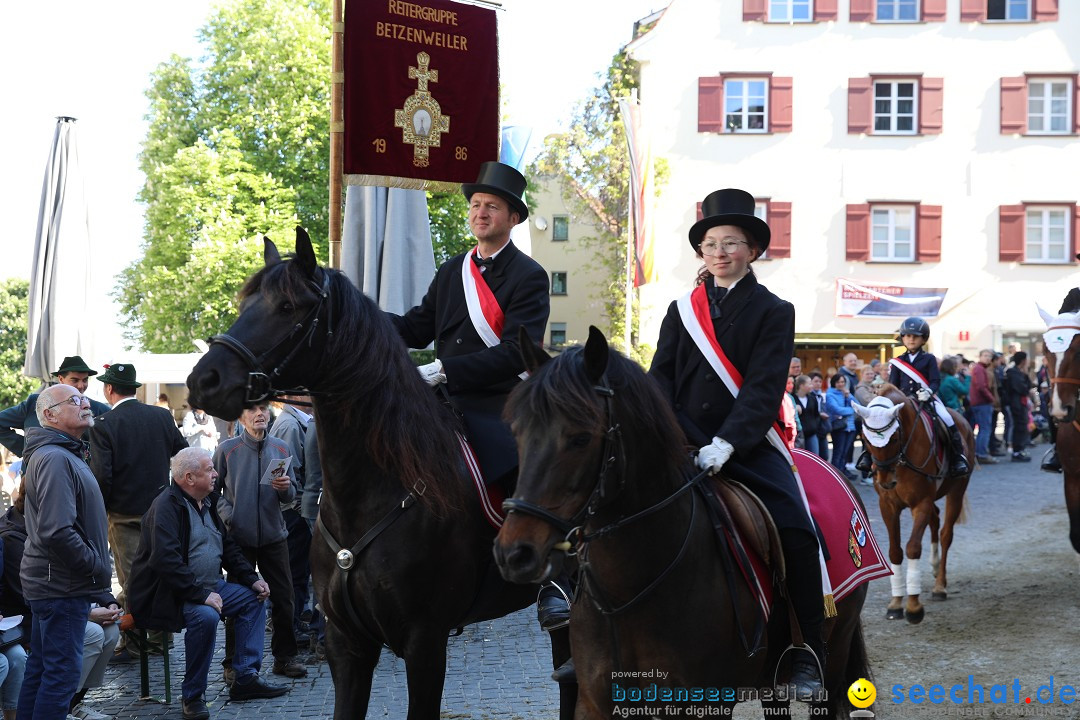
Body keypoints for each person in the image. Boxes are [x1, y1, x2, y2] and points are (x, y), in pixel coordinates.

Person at [649, 187, 825, 700]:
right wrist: (663, 432)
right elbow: (660, 379)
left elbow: (764, 387)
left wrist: (728, 442)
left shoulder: (774, 310)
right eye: (710, 243)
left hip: (744, 444)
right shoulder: (681, 310)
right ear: (701, 252)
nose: (720, 252)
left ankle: (805, 649)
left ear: (752, 250)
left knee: (796, 529)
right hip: (681, 441)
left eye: (731, 242)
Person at [384, 163, 567, 636]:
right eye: (475, 206)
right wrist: (360, 314)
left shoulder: (529, 275)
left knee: (527, 470)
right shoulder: (453, 271)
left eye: (491, 207)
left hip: (499, 399)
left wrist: (446, 368)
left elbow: (513, 353)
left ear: (512, 218)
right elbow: (416, 326)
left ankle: (556, 581)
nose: (480, 213)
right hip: (444, 399)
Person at [128, 448, 288, 720]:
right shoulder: (166, 506)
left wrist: (252, 578)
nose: (215, 474)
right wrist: (201, 594)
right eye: (209, 469)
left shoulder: (209, 501)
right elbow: (165, 561)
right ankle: (192, 695)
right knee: (206, 616)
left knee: (253, 599)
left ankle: (245, 678)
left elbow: (228, 548)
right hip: (170, 594)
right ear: (189, 477)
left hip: (208, 586)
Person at [17, 384, 112, 720]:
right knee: (60, 676)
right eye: (74, 400)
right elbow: (58, 530)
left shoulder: (61, 453)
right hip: (61, 585)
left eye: (84, 397)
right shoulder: (55, 457)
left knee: (43, 669)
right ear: (49, 415)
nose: (84, 402)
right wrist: (96, 568)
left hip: (57, 584)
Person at [87, 363, 187, 661]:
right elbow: (182, 454)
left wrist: (98, 514)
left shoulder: (103, 424)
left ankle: (139, 645)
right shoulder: (161, 416)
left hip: (123, 515)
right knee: (162, 573)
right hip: (162, 511)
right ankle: (160, 638)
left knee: (133, 581)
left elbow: (102, 476)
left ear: (108, 389)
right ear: (134, 388)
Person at [213, 403, 306, 681]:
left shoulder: (280, 447)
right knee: (239, 600)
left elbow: (290, 495)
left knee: (284, 599)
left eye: (263, 409)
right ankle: (232, 662)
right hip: (239, 540)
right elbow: (212, 492)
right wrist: (229, 517)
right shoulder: (227, 449)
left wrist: (286, 488)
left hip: (274, 537)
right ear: (241, 416)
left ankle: (285, 658)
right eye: (252, 410)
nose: (260, 414)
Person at [856, 317, 970, 476]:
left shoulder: (929, 359)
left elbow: (936, 381)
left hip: (925, 399)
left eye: (915, 336)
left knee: (947, 418)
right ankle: (867, 455)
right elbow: (892, 386)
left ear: (923, 339)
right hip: (901, 402)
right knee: (875, 421)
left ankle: (958, 457)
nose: (911, 339)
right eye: (907, 336)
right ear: (902, 338)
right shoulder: (897, 362)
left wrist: (929, 391)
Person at [266, 397, 313, 644]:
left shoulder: (297, 422)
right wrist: (299, 506)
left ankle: (293, 623)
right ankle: (289, 627)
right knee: (293, 571)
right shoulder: (290, 425)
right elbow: (282, 472)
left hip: (297, 507)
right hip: (293, 510)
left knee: (299, 570)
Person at [0, 357, 110, 458]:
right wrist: (26, 449)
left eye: (85, 380)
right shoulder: (34, 403)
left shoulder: (99, 409)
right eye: (75, 380)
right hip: (36, 474)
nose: (81, 385)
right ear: (61, 379)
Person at [969, 350, 998, 465]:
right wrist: (991, 398)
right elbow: (982, 387)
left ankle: (980, 453)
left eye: (989, 356)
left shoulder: (980, 368)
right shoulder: (979, 369)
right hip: (982, 403)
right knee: (985, 429)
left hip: (980, 402)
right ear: (980, 356)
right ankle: (981, 454)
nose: (987, 358)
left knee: (983, 429)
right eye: (985, 356)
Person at [826, 374, 857, 480]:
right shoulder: (830, 394)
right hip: (839, 428)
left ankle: (842, 473)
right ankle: (835, 474)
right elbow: (836, 409)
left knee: (845, 452)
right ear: (834, 383)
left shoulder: (846, 393)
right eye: (838, 382)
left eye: (843, 382)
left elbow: (857, 405)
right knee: (838, 452)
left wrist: (849, 396)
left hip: (850, 427)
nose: (841, 384)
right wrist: (851, 411)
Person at [1005, 352, 1034, 463]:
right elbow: (1022, 388)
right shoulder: (1013, 373)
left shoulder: (1019, 372)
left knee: (1022, 426)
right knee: (1019, 426)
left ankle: (1019, 449)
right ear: (1023, 360)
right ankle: (1016, 451)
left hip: (1020, 403)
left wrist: (1026, 373)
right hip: (1016, 404)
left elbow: (1028, 385)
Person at [793, 375, 821, 456]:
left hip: (812, 433)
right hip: (799, 435)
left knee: (815, 456)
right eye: (809, 384)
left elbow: (816, 415)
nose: (811, 386)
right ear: (801, 385)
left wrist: (815, 426)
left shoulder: (812, 398)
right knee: (801, 458)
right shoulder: (793, 399)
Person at [809, 372, 830, 460]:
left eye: (820, 382)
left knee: (825, 456)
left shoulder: (822, 396)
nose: (818, 384)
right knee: (815, 456)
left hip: (822, 429)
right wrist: (819, 414)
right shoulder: (809, 396)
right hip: (813, 428)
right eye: (816, 381)